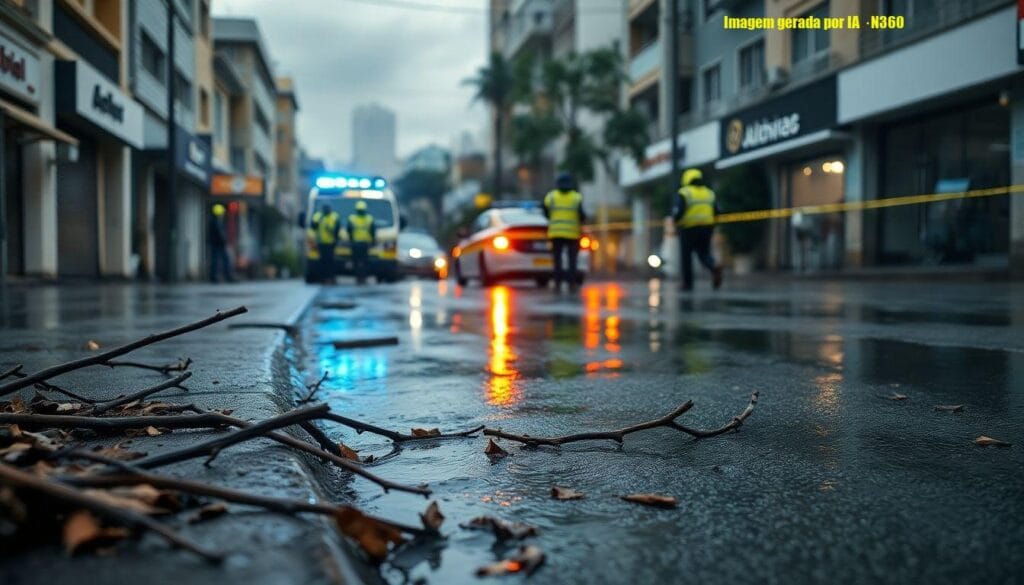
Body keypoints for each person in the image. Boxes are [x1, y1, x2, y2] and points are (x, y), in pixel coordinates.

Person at [672, 168, 722, 291]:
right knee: (704, 254)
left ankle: (687, 284)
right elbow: (718, 211)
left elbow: (678, 212)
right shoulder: (709, 193)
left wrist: (675, 222)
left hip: (689, 229)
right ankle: (713, 266)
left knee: (686, 256)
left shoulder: (685, 192)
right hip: (707, 228)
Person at [543, 172, 586, 292]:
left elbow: (546, 213)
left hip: (556, 233)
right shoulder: (576, 197)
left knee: (557, 260)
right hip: (572, 234)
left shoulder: (551, 197)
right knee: (572, 260)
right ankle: (571, 283)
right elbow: (582, 215)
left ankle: (557, 283)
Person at [347, 200, 376, 285]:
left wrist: (351, 239)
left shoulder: (352, 218)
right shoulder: (369, 218)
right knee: (364, 261)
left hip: (356, 243)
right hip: (365, 243)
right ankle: (363, 277)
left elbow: (349, 230)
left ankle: (358, 277)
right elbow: (373, 231)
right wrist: (373, 241)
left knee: (357, 261)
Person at [311, 203, 340, 282]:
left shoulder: (334, 217)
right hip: (321, 243)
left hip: (331, 243)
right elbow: (313, 226)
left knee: (330, 262)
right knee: (323, 261)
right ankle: (323, 278)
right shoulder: (318, 216)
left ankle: (331, 278)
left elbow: (337, 229)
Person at [207, 204, 234, 283]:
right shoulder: (217, 222)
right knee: (223, 260)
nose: (223, 214)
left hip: (216, 244)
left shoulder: (214, 221)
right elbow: (220, 233)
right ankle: (226, 276)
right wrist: (224, 242)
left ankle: (215, 276)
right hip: (219, 244)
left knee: (215, 260)